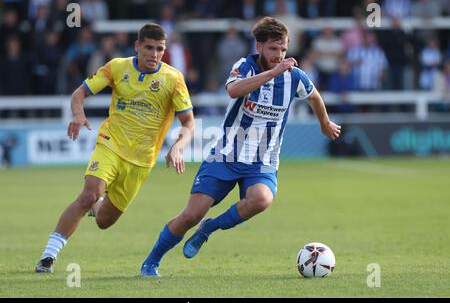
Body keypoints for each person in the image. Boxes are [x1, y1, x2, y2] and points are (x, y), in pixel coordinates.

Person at [140, 17, 341, 277]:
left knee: (261, 200)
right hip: (226, 156)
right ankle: (151, 262)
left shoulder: (295, 77)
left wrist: (324, 122)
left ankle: (208, 229)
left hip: (263, 161)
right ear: (259, 46)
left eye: (283, 50)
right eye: (273, 49)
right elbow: (233, 91)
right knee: (191, 214)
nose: (279, 56)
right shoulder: (244, 66)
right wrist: (272, 73)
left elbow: (313, 95)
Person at [35, 23, 194, 273]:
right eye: (149, 48)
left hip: (141, 161)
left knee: (104, 221)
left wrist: (179, 146)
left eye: (159, 49)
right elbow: (79, 94)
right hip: (111, 143)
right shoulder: (118, 67)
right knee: (88, 194)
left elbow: (189, 122)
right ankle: (48, 256)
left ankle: (97, 203)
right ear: (137, 46)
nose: (154, 54)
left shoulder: (173, 79)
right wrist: (78, 115)